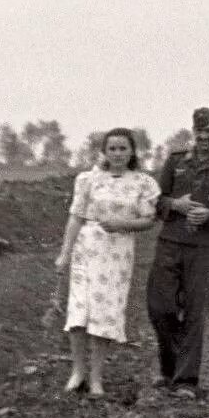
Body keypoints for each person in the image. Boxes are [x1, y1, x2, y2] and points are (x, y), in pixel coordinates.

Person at [147, 106, 209, 399]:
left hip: (204, 248)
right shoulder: (176, 161)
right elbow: (156, 201)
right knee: (160, 307)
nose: (204, 136)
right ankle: (169, 368)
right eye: (200, 131)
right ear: (193, 132)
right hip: (170, 242)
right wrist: (175, 205)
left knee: (194, 311)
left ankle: (186, 380)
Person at [54, 128, 159, 398]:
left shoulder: (142, 182)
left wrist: (123, 224)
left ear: (132, 152)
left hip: (117, 252)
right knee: (79, 312)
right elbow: (76, 217)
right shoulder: (88, 180)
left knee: (104, 313)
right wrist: (65, 253)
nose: (117, 154)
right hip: (87, 249)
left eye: (123, 148)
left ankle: (97, 377)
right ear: (104, 151)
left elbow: (149, 219)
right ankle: (78, 372)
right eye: (112, 148)